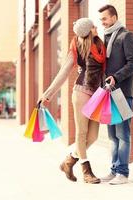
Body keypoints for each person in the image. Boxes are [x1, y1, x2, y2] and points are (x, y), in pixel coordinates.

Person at [39, 18, 106, 184]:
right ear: (88, 30)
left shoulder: (100, 44)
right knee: (81, 133)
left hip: (97, 93)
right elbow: (64, 72)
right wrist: (48, 93)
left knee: (93, 136)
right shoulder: (77, 46)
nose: (96, 27)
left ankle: (68, 162)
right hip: (81, 91)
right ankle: (87, 172)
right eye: (93, 26)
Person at [98, 4, 133, 185]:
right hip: (109, 95)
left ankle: (123, 173)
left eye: (105, 19)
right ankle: (114, 170)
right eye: (101, 20)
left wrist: (116, 77)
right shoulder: (105, 39)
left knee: (123, 135)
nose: (103, 23)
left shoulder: (126, 36)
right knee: (112, 136)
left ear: (114, 18)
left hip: (123, 94)